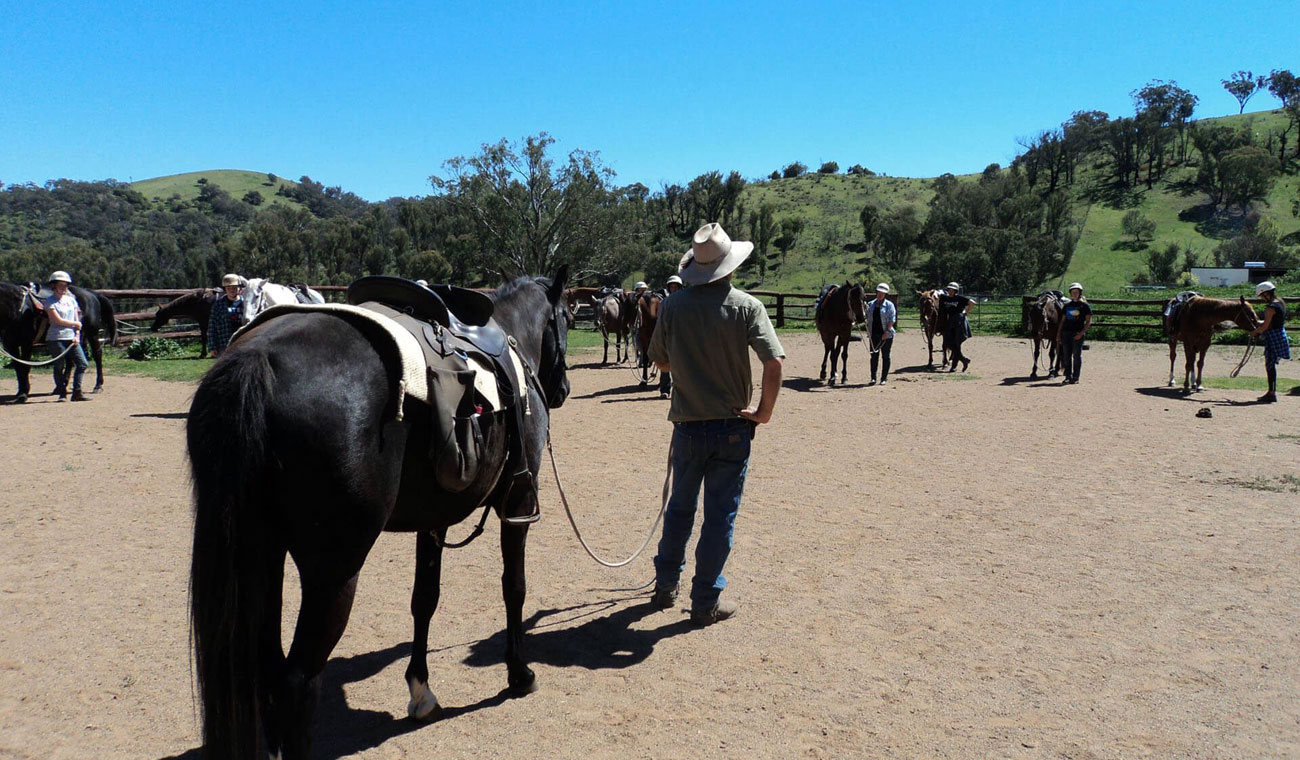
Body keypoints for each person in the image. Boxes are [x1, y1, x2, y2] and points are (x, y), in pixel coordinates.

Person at [648, 223, 785, 626]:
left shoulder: (673, 305)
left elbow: (660, 360)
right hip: (731, 428)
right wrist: (763, 412)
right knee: (719, 516)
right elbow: (774, 362)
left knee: (679, 509)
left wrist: (688, 361)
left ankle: (664, 584)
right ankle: (705, 600)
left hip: (688, 426)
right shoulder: (747, 306)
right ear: (730, 265)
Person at [41, 271, 91, 402]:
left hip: (72, 338)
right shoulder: (49, 302)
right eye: (60, 285)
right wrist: (76, 324)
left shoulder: (72, 300)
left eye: (65, 285)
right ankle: (62, 391)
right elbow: (57, 321)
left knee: (82, 363)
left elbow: (76, 318)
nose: (63, 287)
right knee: (59, 365)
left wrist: (77, 335)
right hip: (56, 337)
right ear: (54, 286)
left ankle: (77, 391)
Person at [1248, 281, 1289, 403]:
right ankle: (1272, 391)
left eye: (1261, 296)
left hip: (1273, 337)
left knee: (1270, 365)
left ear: (1266, 293)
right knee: (1271, 365)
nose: (1261, 298)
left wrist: (1254, 332)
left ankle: (1271, 393)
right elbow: (1272, 322)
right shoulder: (1280, 303)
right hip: (1279, 334)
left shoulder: (1271, 308)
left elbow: (1266, 326)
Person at [1056, 282, 1092, 385]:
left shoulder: (1084, 306)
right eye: (1073, 292)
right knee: (1066, 356)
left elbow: (1088, 322)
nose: (1074, 294)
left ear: (1080, 293)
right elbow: (1062, 321)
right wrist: (1058, 334)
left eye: (1076, 292)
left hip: (1077, 334)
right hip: (1066, 333)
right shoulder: (1067, 306)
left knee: (1076, 356)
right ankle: (1068, 376)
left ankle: (1076, 377)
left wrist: (1081, 333)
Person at [656, 275, 685, 399]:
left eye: (676, 287)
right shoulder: (664, 303)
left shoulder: (686, 302)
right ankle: (665, 389)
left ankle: (682, 390)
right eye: (672, 287)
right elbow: (660, 319)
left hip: (683, 336)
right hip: (668, 336)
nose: (674, 289)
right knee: (665, 363)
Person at [207, 273, 247, 357]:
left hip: (244, 342)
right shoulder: (218, 305)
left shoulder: (246, 304)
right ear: (225, 289)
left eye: (234, 287)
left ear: (239, 288)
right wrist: (212, 346)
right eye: (229, 288)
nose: (232, 290)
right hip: (224, 343)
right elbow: (212, 326)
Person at [938, 282, 973, 372]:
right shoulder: (944, 298)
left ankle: (954, 366)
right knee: (947, 343)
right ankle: (964, 360)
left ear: (955, 291)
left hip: (959, 322)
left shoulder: (960, 298)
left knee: (957, 344)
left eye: (952, 290)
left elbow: (972, 303)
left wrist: (966, 312)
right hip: (950, 322)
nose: (950, 291)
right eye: (949, 289)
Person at [866, 283, 897, 385]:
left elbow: (892, 319)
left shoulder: (889, 305)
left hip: (886, 334)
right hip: (873, 334)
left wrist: (887, 332)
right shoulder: (870, 304)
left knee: (885, 355)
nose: (880, 294)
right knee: (874, 356)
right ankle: (873, 378)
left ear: (885, 294)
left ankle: (884, 378)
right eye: (879, 292)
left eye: (882, 293)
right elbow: (865, 316)